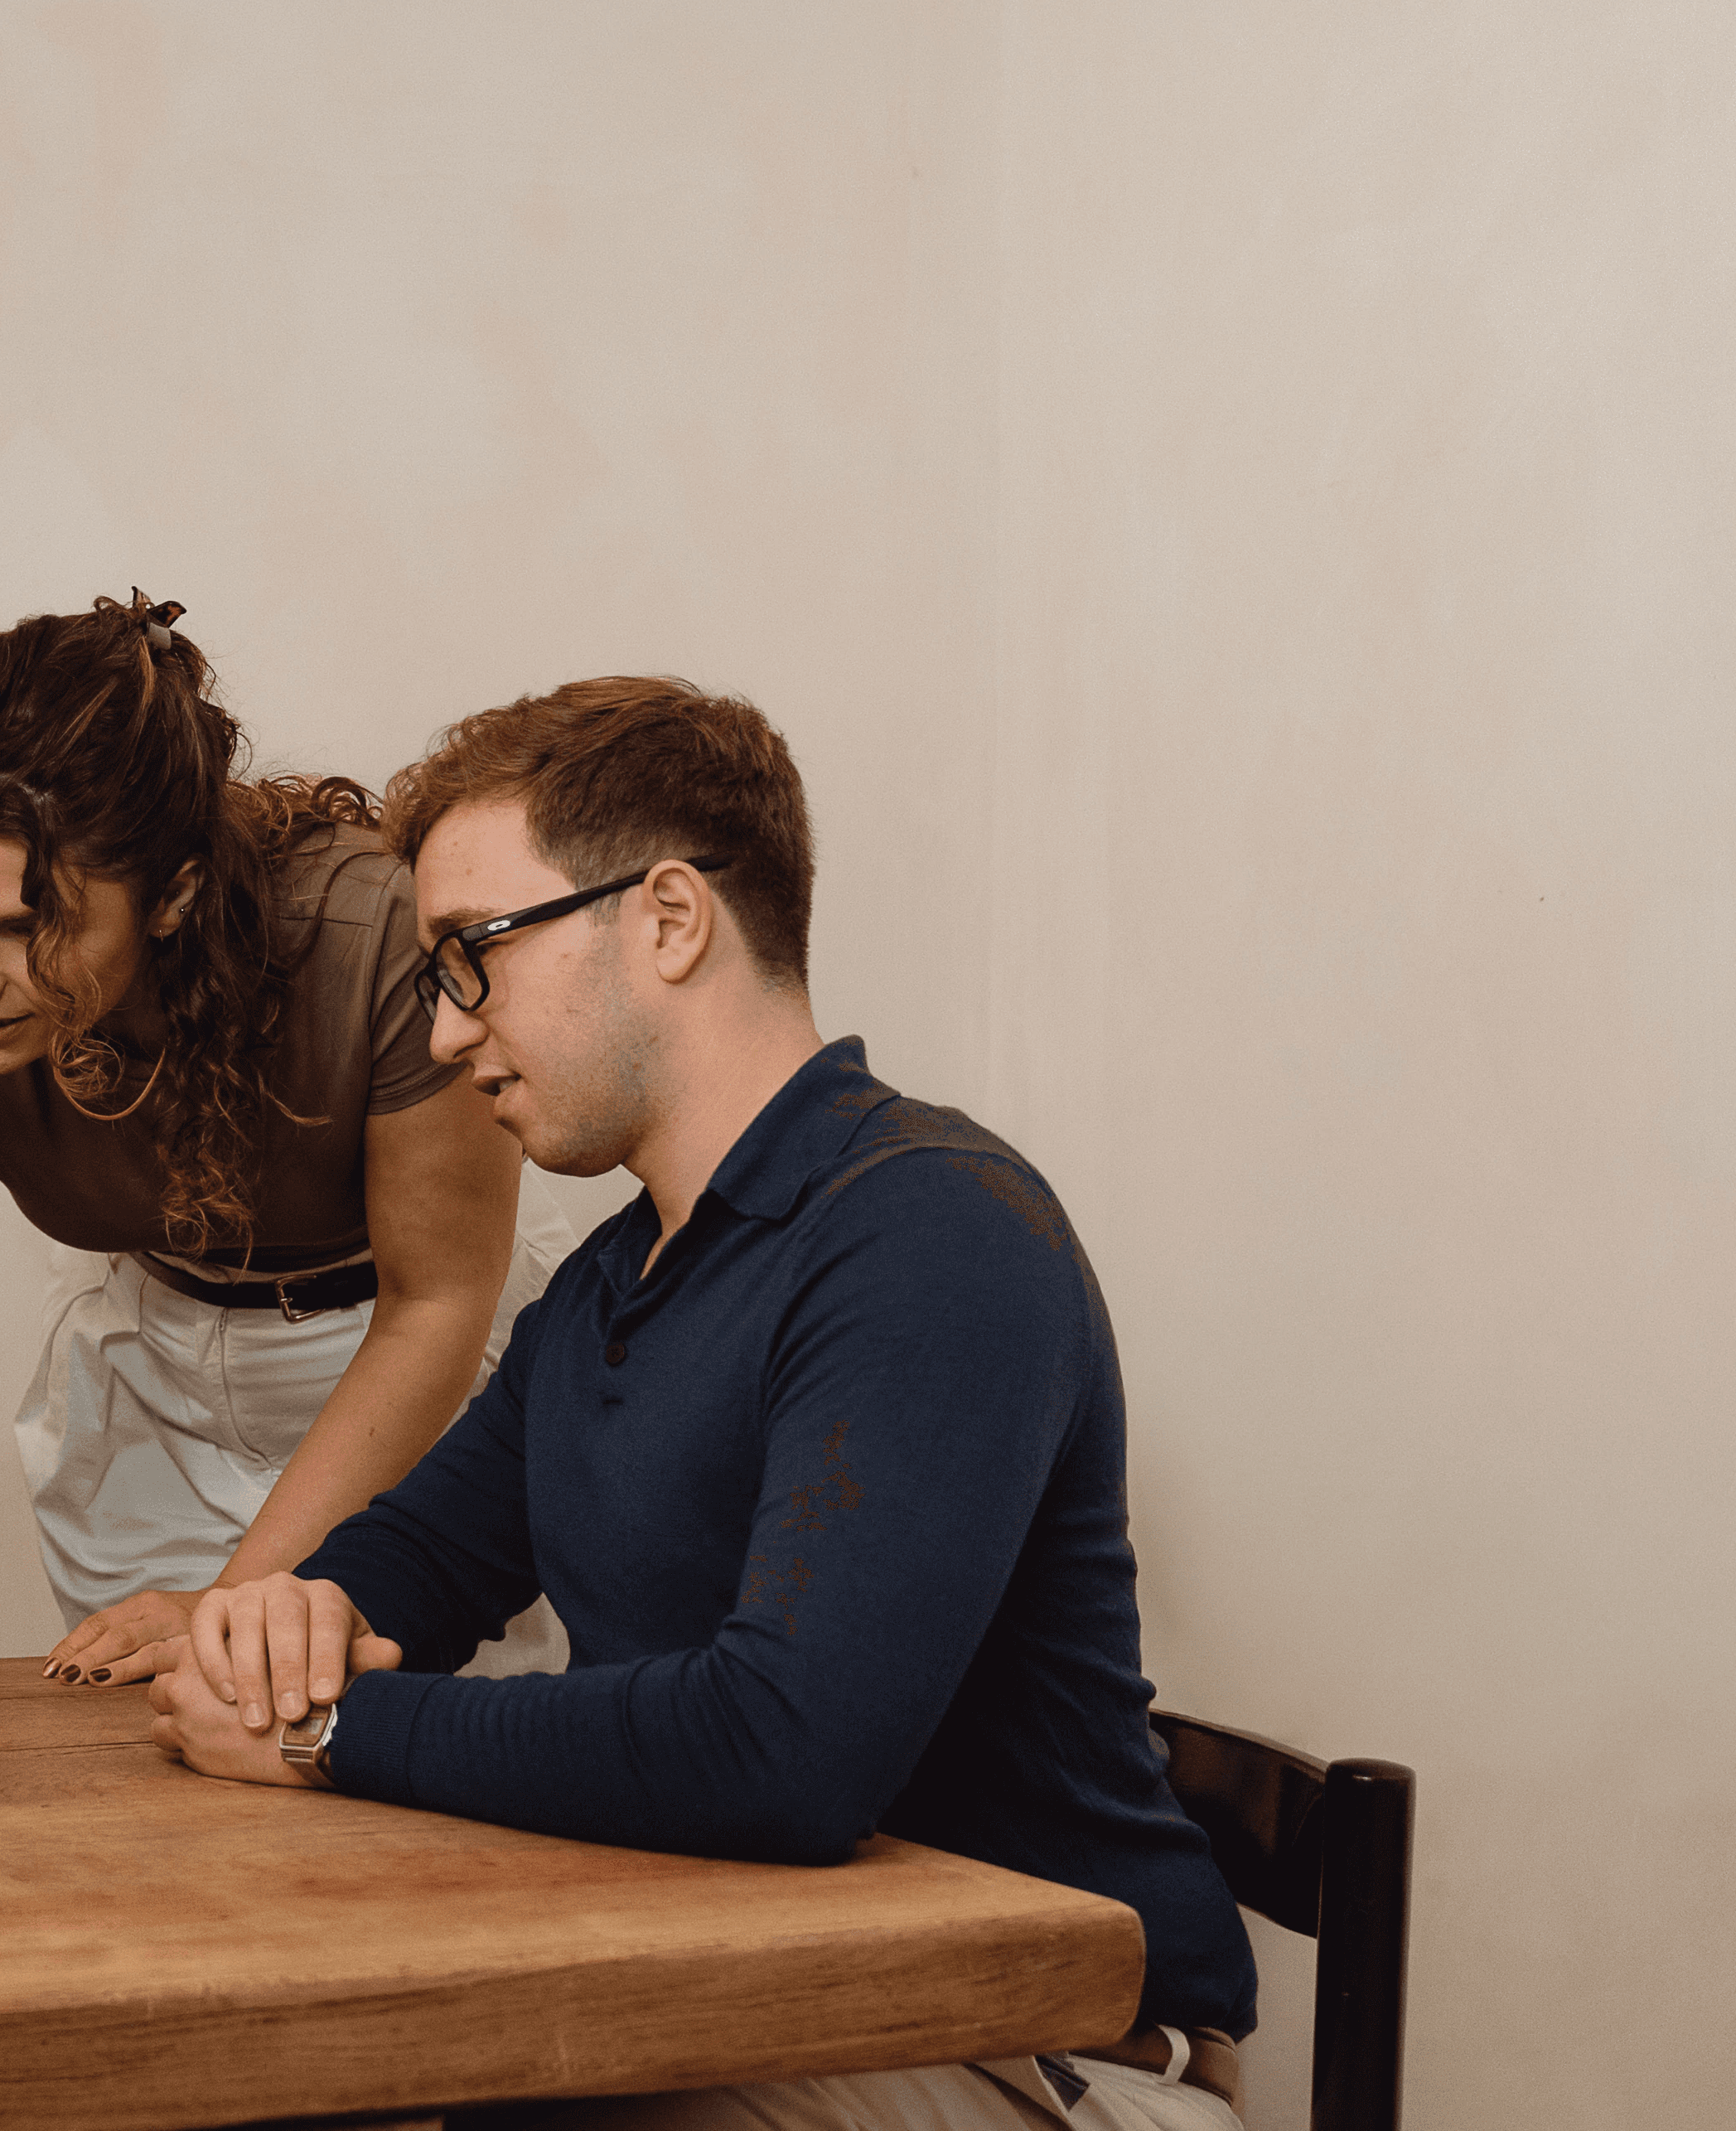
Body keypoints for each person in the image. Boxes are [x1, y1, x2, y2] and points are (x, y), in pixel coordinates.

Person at [151, 679, 1256, 2129]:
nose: (438, 1033)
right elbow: (411, 1561)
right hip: (751, 1996)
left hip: (1038, 2059)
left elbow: (783, 1751)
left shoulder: (934, 1233)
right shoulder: (612, 1286)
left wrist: (327, 1734)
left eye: (468, 956)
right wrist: (288, 1621)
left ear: (668, 919)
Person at [0, 593, 575, 1687]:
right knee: (170, 1759)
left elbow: (435, 1304)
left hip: (403, 1357)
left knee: (406, 1769)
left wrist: (237, 1602)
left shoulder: (371, 934)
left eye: (27, 924)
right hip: (153, 1378)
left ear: (173, 894)